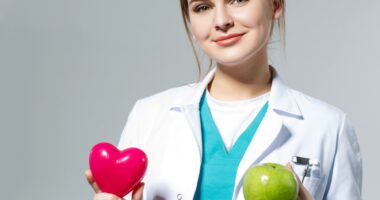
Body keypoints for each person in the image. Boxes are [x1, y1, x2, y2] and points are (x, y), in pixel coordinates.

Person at [85, 0, 363, 199]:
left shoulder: (329, 127)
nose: (221, 21)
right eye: (203, 7)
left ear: (276, 4)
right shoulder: (148, 114)